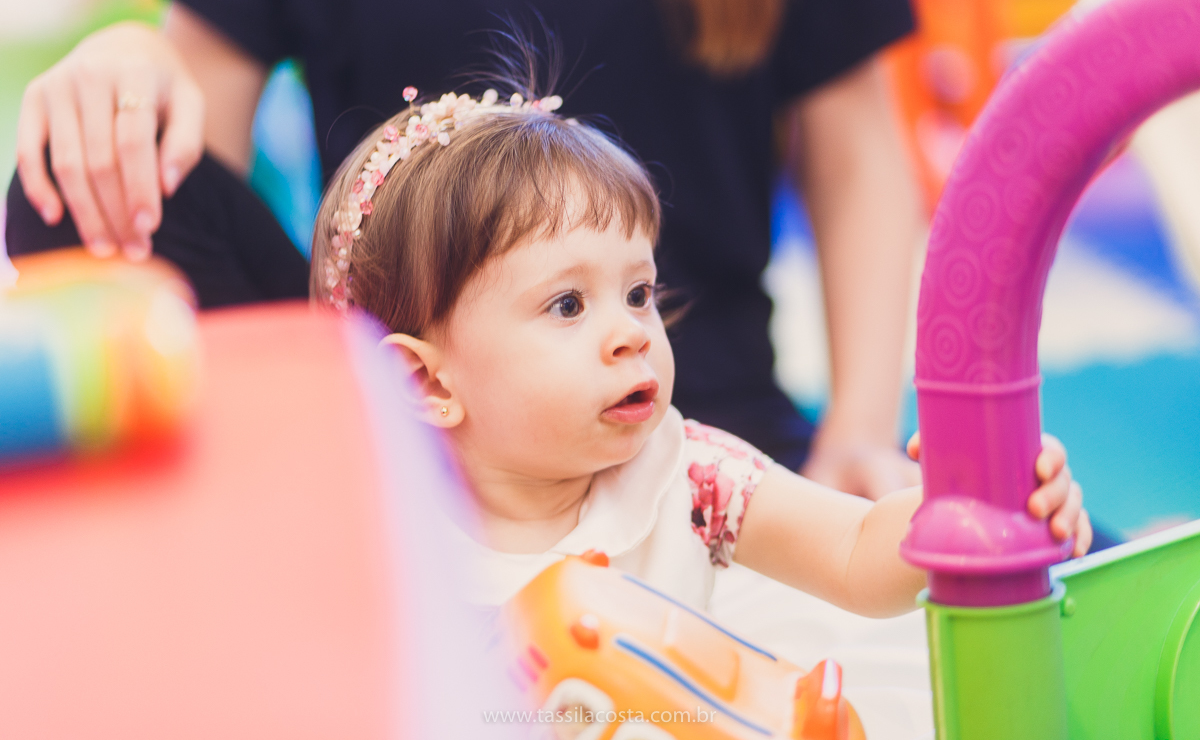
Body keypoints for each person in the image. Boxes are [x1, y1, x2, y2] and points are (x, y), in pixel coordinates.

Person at [10, 0, 923, 498]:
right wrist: (127, 66)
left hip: (697, 420)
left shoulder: (721, 482)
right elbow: (178, 163)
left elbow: (857, 156)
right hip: (398, 438)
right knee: (69, 174)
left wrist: (856, 438)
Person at [308, 83, 1091, 608]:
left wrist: (977, 503)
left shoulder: (687, 475)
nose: (631, 333)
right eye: (569, 305)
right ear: (425, 382)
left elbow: (853, 551)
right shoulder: (382, 533)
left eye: (639, 294)